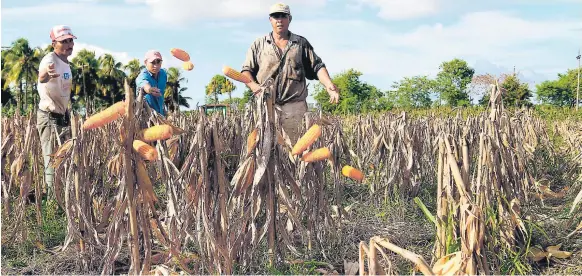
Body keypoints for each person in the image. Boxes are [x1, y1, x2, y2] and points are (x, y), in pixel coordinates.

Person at [241, 2, 340, 143]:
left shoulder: (300, 44)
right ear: (270, 20)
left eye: (283, 16)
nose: (279, 20)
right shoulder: (259, 45)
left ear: (290, 19)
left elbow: (317, 67)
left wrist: (329, 84)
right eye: (275, 16)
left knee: (295, 152)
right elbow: (246, 71)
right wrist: (254, 87)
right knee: (266, 151)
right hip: (266, 106)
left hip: (294, 108)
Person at [36, 25, 76, 201]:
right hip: (49, 117)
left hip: (62, 116)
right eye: (64, 41)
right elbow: (42, 76)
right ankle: (52, 201)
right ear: (54, 44)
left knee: (62, 158)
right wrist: (47, 74)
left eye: (70, 40)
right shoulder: (50, 59)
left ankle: (60, 196)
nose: (69, 44)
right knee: (51, 158)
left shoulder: (66, 63)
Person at [136, 50, 168, 116]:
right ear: (145, 62)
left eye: (158, 62)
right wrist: (150, 90)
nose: (156, 66)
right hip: (145, 117)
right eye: (153, 63)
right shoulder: (142, 76)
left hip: (160, 115)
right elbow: (144, 85)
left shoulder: (163, 74)